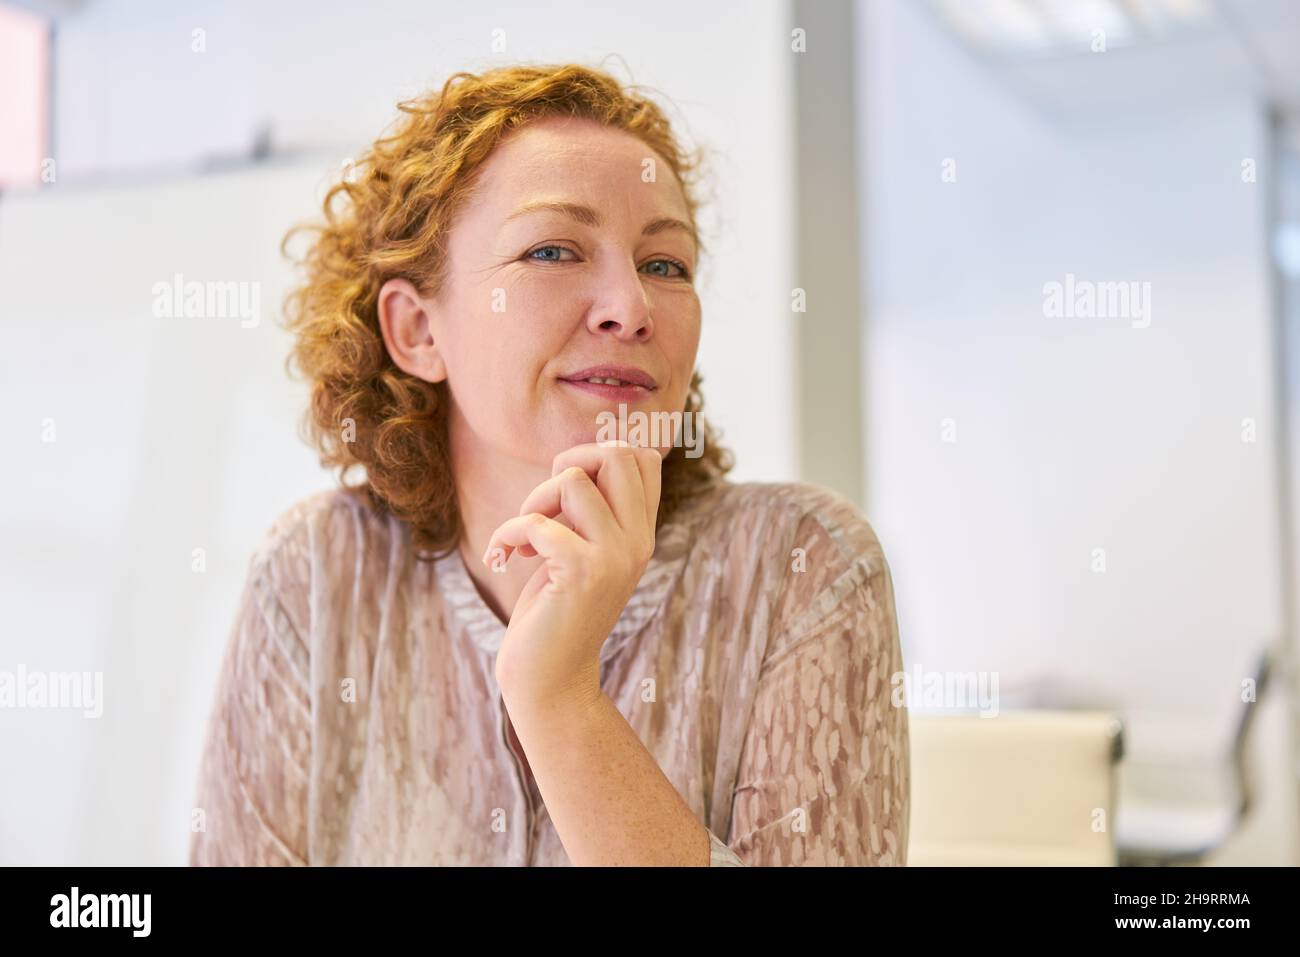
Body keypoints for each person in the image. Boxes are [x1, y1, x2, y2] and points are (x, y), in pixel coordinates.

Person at [188, 62, 908, 866]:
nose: (631, 308)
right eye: (555, 250)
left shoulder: (801, 565)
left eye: (664, 264)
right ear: (418, 331)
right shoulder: (315, 574)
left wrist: (559, 697)